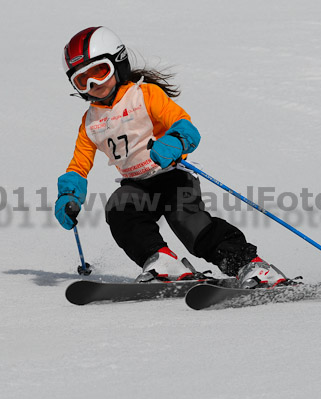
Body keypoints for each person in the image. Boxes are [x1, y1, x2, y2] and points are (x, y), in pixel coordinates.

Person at [55, 26, 289, 288]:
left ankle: (251, 266)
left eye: (99, 72)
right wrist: (69, 195)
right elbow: (79, 164)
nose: (93, 85)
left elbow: (186, 128)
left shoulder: (145, 95)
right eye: (82, 80)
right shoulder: (90, 122)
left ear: (119, 64)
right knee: (120, 210)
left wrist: (174, 142)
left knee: (191, 226)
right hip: (137, 184)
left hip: (172, 176)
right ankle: (162, 262)